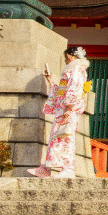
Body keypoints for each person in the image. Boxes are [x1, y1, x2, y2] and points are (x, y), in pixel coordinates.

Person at [28, 46, 90, 178]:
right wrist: (50, 80)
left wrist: (68, 108)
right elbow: (62, 90)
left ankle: (68, 168)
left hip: (68, 109)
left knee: (65, 137)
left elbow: (74, 90)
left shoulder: (77, 70)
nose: (66, 61)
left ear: (73, 57)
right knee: (57, 137)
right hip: (64, 109)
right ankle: (47, 167)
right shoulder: (73, 70)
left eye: (67, 58)